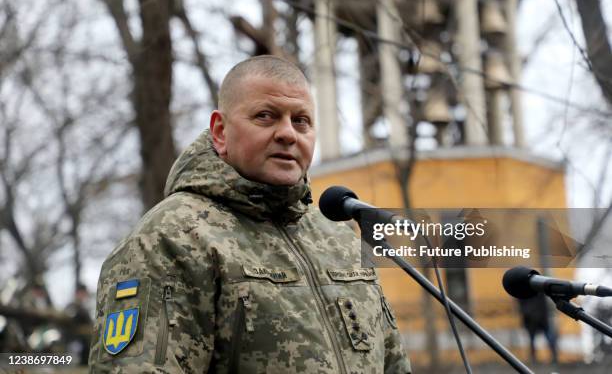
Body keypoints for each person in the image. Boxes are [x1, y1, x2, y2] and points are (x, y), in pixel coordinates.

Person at [88, 55, 411, 373]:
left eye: (301, 121)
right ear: (220, 131)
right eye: (266, 116)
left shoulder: (339, 238)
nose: (288, 133)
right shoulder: (170, 237)